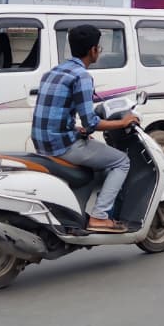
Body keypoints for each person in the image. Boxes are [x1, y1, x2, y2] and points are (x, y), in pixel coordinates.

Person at [30, 24, 139, 233]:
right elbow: (92, 123)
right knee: (121, 161)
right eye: (99, 47)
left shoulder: (53, 71)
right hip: (62, 146)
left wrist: (74, 129)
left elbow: (58, 112)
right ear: (93, 50)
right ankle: (99, 217)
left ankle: (76, 212)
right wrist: (123, 123)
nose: (99, 51)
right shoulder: (81, 76)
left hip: (43, 141)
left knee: (93, 162)